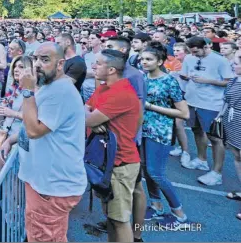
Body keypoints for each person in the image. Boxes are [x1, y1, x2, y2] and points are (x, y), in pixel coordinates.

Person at [18, 42, 85, 242]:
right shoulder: (52, 86)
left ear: (60, 64)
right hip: (46, 183)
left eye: (45, 59)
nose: (37, 64)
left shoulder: (60, 91)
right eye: (35, 59)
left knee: (43, 237)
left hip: (51, 187)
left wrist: (28, 91)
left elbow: (34, 130)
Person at [85, 49, 142, 242]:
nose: (94, 66)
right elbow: (85, 109)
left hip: (121, 163)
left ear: (111, 70)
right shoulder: (103, 87)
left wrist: (92, 118)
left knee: (120, 220)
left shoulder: (122, 93)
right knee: (110, 217)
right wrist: (91, 117)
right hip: (107, 162)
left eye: (98, 63)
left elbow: (88, 118)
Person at [139, 42, 191, 228]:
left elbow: (184, 113)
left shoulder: (169, 81)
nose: (144, 62)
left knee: (156, 172)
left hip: (160, 132)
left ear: (160, 61)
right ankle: (156, 205)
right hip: (143, 130)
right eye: (142, 58)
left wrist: (151, 107)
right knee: (146, 169)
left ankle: (179, 214)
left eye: (149, 59)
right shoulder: (143, 78)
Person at [181, 37, 234, 186]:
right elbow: (184, 74)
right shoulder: (189, 58)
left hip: (211, 103)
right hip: (192, 100)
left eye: (197, 51)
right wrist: (185, 77)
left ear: (205, 47)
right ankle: (201, 159)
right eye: (192, 52)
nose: (194, 54)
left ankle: (216, 173)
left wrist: (208, 81)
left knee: (215, 138)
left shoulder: (220, 60)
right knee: (196, 130)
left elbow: (229, 81)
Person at [0, 55, 33, 177]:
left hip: (18, 138)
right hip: (4, 135)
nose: (16, 69)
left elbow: (35, 119)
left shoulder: (34, 91)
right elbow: (4, 107)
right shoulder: (14, 88)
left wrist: (13, 113)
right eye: (15, 66)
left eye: (21, 67)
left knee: (12, 177)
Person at [222, 50, 241, 221]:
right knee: (237, 157)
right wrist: (220, 115)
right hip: (233, 121)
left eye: (236, 63)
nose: (233, 65)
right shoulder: (235, 80)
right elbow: (226, 100)